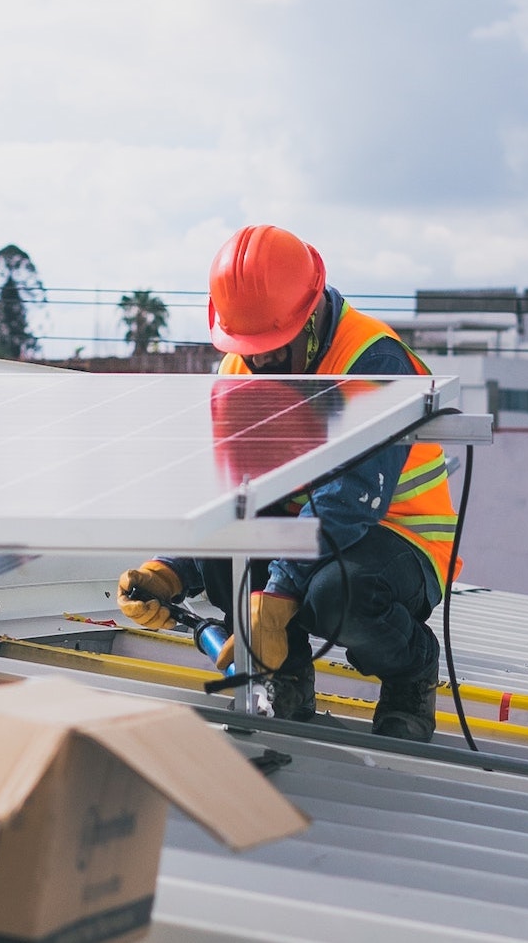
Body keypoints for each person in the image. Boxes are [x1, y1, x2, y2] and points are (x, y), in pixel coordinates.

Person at [116, 224, 459, 741]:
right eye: (251, 348)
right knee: (227, 553)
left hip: (401, 539)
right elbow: (234, 497)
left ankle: (411, 673)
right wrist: (173, 568)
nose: (261, 362)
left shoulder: (372, 357)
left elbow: (350, 501)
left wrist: (275, 598)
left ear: (313, 313)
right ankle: (284, 679)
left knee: (338, 593)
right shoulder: (238, 371)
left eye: (275, 347)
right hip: (309, 529)